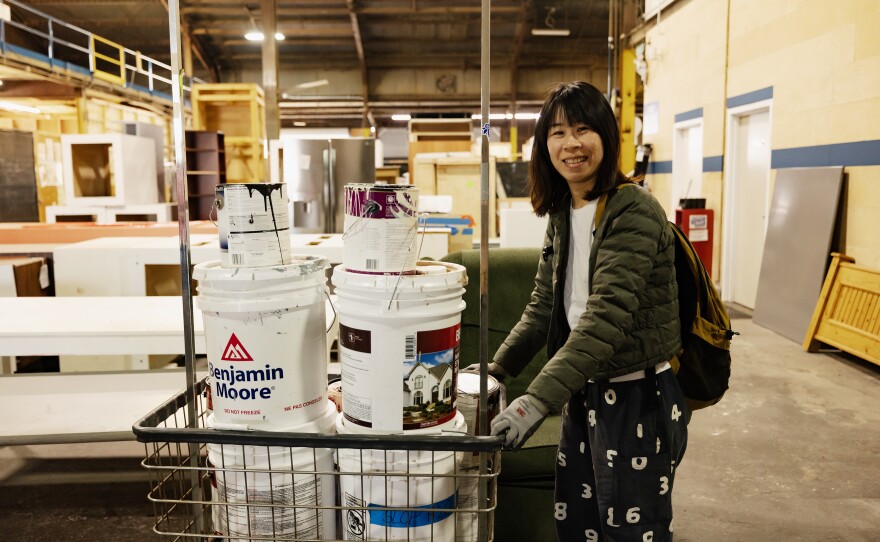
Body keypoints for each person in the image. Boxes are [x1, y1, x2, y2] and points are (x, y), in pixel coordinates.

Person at [485, 81, 689, 541]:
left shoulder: (631, 210)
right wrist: (496, 372)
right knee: (579, 525)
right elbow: (542, 310)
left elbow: (604, 319)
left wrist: (535, 402)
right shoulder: (563, 211)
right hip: (585, 393)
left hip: (638, 398)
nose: (571, 144)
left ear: (606, 137)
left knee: (631, 532)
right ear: (544, 146)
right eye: (557, 132)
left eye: (583, 129)